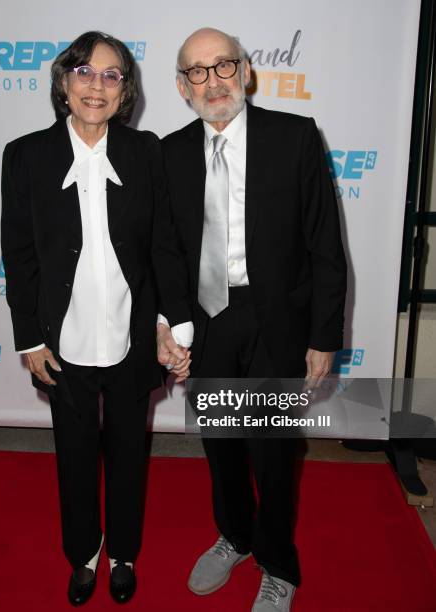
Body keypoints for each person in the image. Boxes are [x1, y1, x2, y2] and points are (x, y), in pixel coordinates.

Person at [1, 31, 192, 606]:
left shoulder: (145, 151)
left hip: (133, 336)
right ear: (63, 83)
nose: (96, 85)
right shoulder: (26, 155)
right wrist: (28, 337)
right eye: (84, 72)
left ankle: (123, 554)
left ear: (125, 90)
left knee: (131, 453)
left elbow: (164, 246)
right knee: (75, 454)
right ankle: (84, 553)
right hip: (63, 339)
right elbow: (20, 254)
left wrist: (171, 325)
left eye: (112, 76)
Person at [158, 27, 347, 612]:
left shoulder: (293, 137)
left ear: (245, 71)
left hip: (277, 321)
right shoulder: (169, 151)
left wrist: (323, 335)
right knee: (221, 447)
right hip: (208, 322)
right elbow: (165, 249)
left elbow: (324, 244)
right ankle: (235, 535)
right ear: (183, 86)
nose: (212, 80)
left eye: (222, 66)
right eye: (197, 71)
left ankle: (277, 563)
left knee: (272, 451)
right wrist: (171, 323)